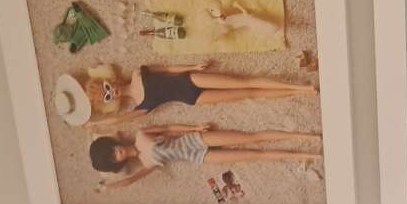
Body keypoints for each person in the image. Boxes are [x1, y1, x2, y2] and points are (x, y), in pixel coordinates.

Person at [54, 63, 318, 129]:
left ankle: (300, 88)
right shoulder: (140, 106)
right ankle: (295, 93)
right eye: (107, 97)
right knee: (248, 93)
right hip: (193, 99)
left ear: (109, 81)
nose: (112, 92)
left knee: (245, 81)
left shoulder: (137, 73)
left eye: (107, 88)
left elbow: (167, 69)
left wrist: (191, 66)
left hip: (189, 79)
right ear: (110, 102)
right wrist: (95, 123)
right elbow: (119, 121)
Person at [90, 126, 322, 191]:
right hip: (197, 157)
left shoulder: (141, 135)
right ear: (117, 163)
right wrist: (110, 186)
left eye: (113, 150)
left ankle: (304, 136)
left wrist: (194, 127)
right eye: (113, 158)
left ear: (114, 144)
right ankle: (304, 155)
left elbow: (169, 129)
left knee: (251, 137)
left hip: (195, 139)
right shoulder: (146, 164)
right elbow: (130, 180)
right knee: (253, 155)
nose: (117, 153)